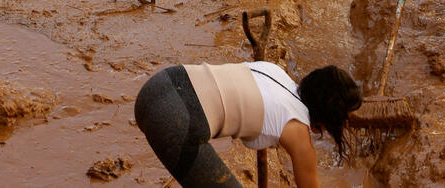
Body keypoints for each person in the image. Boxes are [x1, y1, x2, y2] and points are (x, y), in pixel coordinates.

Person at [134, 59, 362, 187]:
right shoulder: (297, 128)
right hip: (174, 120)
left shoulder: (275, 71)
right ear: (326, 117)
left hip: (161, 83)